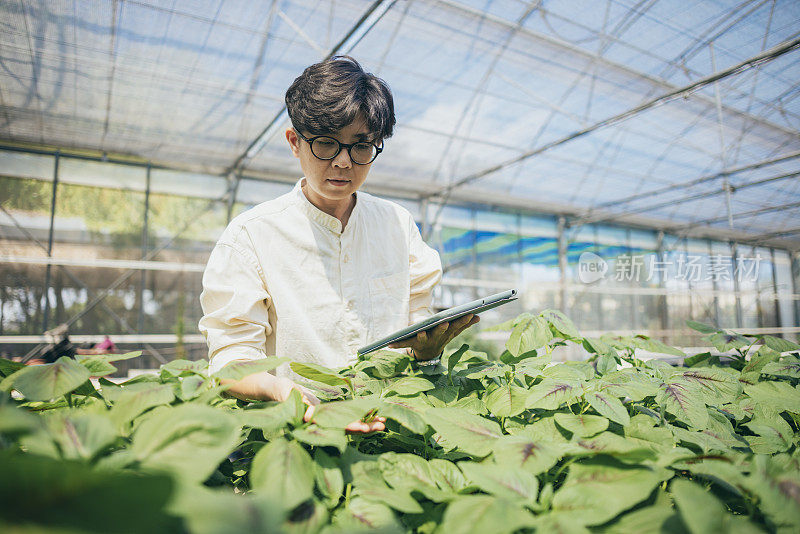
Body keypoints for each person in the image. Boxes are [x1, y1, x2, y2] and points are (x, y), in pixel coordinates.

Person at [199, 56, 478, 432]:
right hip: (294, 436)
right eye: (327, 144)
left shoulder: (397, 226)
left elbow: (416, 324)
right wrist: (281, 391)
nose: (344, 163)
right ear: (295, 143)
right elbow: (231, 356)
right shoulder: (251, 236)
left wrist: (427, 349)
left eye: (361, 146)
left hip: (393, 433)